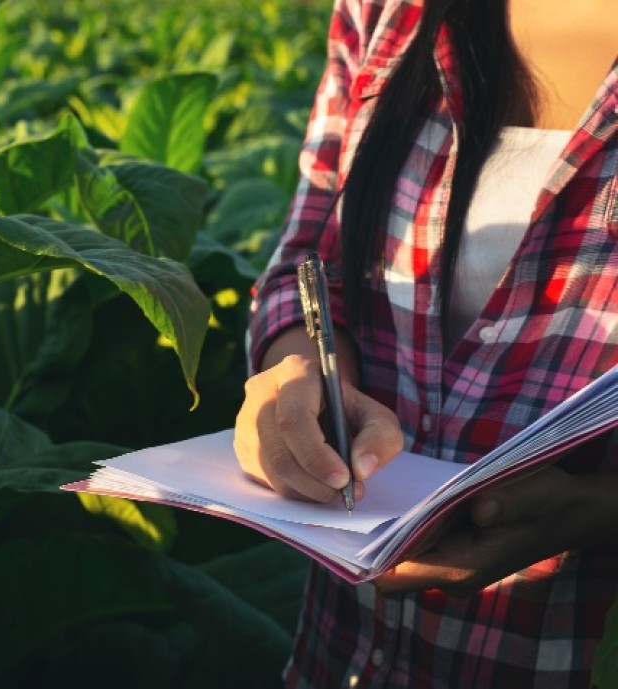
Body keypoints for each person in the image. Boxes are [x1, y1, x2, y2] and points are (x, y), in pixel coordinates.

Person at [233, 0, 617, 686]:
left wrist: (596, 509)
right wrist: (297, 371)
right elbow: (310, 255)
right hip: (341, 650)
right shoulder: (384, 12)